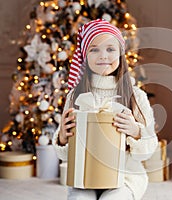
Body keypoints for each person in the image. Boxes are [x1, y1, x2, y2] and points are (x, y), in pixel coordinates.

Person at [53, 19, 158, 200]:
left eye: (110, 49)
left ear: (120, 54)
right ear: (85, 56)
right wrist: (62, 136)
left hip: (126, 176)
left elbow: (149, 148)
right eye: (94, 49)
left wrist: (136, 131)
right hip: (85, 175)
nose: (103, 56)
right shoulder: (75, 95)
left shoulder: (136, 96)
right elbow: (64, 155)